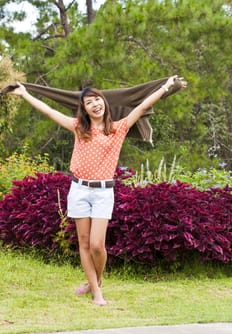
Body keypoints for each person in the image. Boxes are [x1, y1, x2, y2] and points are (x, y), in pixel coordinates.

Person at [10, 75, 187, 306]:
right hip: (79, 189)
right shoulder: (78, 128)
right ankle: (96, 291)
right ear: (84, 109)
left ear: (105, 102)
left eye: (98, 99)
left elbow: (143, 105)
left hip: (103, 192)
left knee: (96, 245)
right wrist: (24, 94)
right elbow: (49, 112)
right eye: (89, 102)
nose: (95, 104)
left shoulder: (118, 128)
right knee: (83, 243)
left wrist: (164, 87)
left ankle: (98, 280)